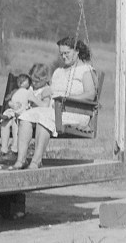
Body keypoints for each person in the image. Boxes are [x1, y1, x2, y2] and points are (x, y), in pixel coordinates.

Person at [7, 37, 97, 170]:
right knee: (26, 116)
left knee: (44, 118)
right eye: (61, 54)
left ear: (77, 51)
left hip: (76, 111)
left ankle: (36, 161)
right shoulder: (58, 72)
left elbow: (90, 94)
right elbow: (51, 92)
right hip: (55, 110)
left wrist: (68, 97)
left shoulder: (85, 70)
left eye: (67, 53)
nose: (63, 56)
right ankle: (21, 160)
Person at [0, 73, 35, 161]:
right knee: (4, 125)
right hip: (12, 112)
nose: (21, 83)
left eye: (24, 81)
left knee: (16, 125)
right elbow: (8, 100)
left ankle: (15, 148)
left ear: (29, 83)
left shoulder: (29, 92)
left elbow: (32, 102)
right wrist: (12, 104)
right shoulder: (15, 91)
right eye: (19, 81)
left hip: (21, 114)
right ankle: (4, 147)